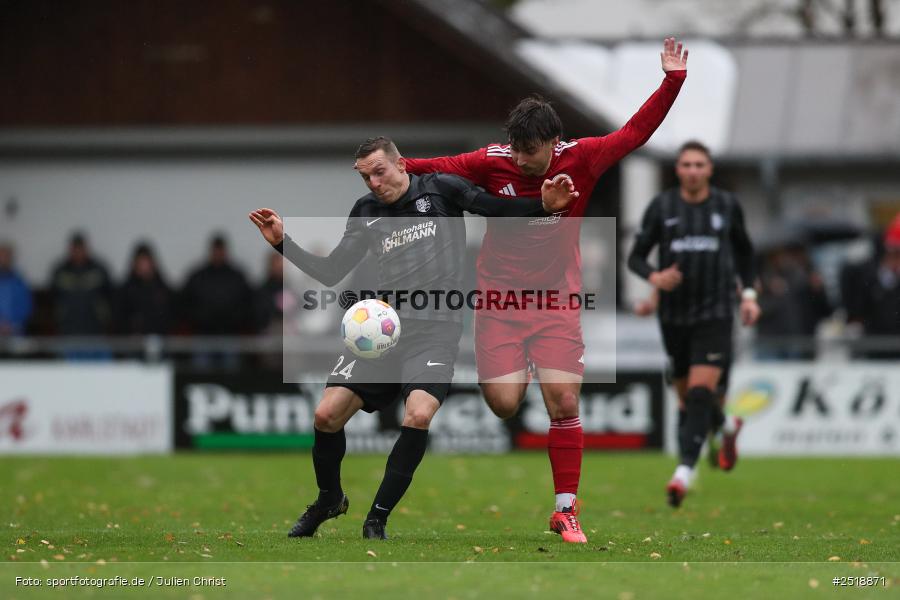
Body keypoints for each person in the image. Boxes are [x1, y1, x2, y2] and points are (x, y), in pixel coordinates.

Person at [403, 38, 688, 541]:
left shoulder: (583, 157)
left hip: (556, 301)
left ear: (552, 143)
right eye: (514, 148)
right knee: (505, 404)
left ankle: (565, 509)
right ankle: (521, 370)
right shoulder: (493, 162)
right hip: (498, 302)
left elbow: (636, 132)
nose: (520, 159)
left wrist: (672, 81)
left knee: (563, 400)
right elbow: (435, 166)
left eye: (528, 152)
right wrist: (392, 169)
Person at [249, 137, 578, 540]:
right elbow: (333, 271)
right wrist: (284, 242)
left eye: (379, 172)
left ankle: (377, 519)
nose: (373, 183)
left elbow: (494, 207)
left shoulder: (440, 189)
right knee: (325, 415)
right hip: (383, 330)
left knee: (418, 415)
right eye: (365, 177)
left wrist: (542, 207)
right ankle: (329, 500)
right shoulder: (366, 212)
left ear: (401, 165)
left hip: (435, 331)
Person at [627, 140, 759, 508]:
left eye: (700, 164)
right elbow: (635, 258)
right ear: (678, 170)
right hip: (674, 316)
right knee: (689, 401)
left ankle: (684, 472)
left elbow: (747, 254)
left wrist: (749, 297)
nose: (693, 170)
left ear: (710, 169)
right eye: (686, 164)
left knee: (700, 393)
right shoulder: (663, 207)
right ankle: (726, 427)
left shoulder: (727, 206)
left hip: (716, 314)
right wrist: (654, 278)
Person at [180, 234, 252, 369]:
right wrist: (199, 318)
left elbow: (247, 303)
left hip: (230, 334)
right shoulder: (198, 276)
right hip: (203, 334)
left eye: (221, 250)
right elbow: (184, 303)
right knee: (201, 372)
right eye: (216, 250)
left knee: (231, 372)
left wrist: (235, 318)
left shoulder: (236, 276)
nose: (218, 254)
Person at [115, 242, 173, 335]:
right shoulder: (125, 290)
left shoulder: (162, 288)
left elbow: (170, 315)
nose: (144, 266)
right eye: (140, 262)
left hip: (160, 341)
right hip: (132, 342)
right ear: (134, 263)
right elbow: (119, 318)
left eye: (146, 261)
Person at [0, 242, 32, 336]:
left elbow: (26, 307)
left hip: (16, 331)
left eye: (6, 256)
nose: (3, 260)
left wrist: (12, 325)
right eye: (1, 256)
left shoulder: (20, 281)